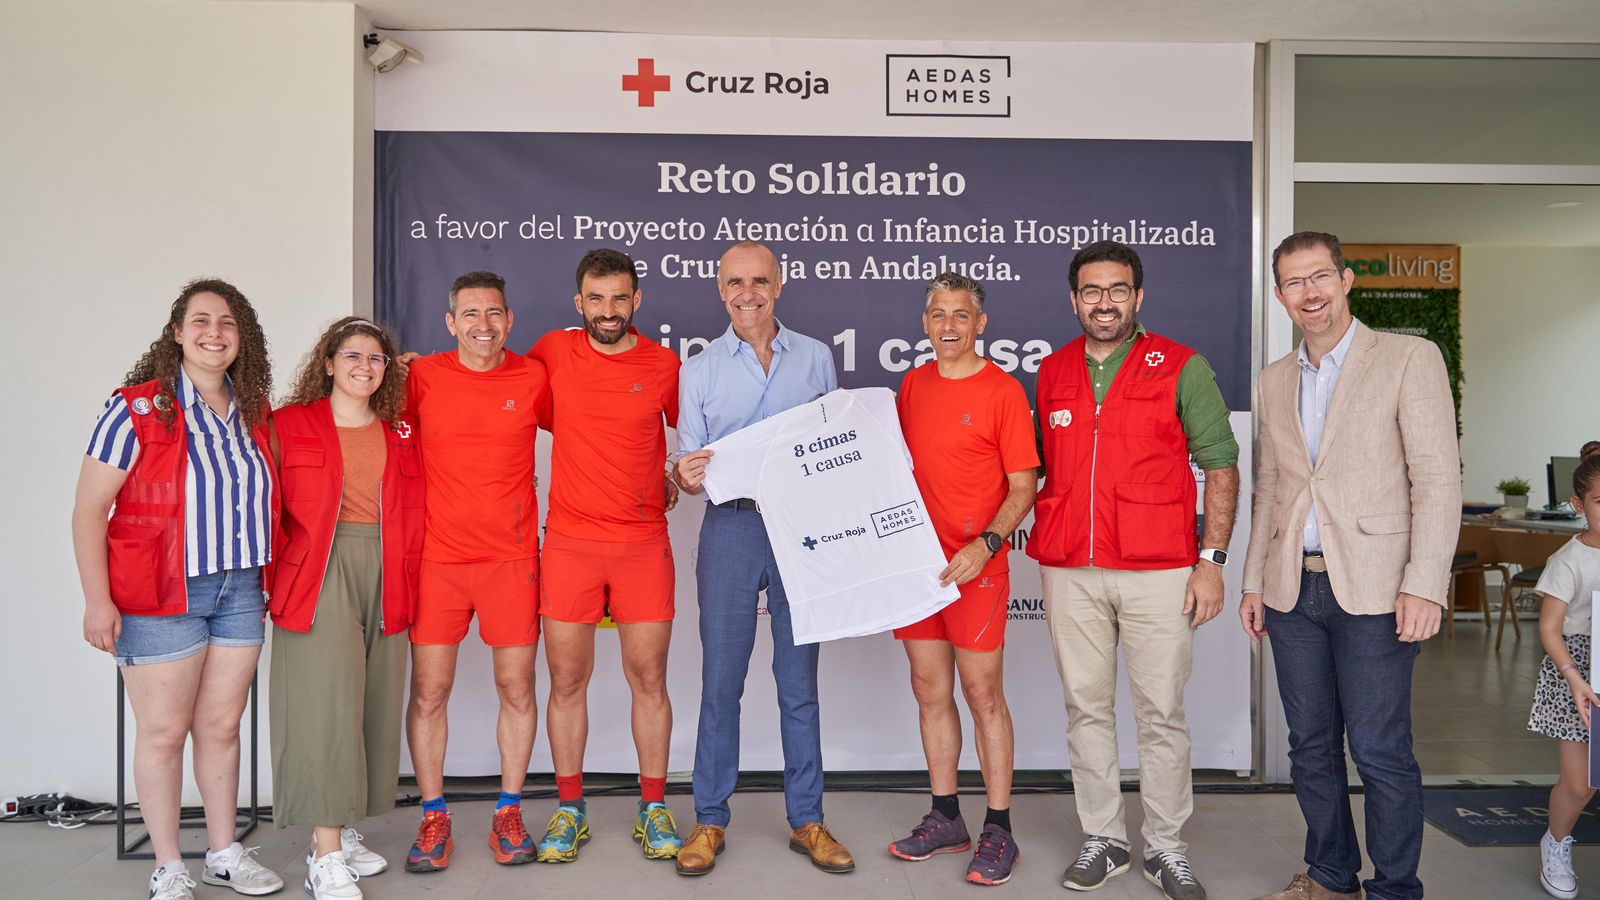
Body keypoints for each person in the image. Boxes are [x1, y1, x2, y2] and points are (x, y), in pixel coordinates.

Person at [1241, 231, 1460, 900]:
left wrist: (1425, 584)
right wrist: (1253, 581)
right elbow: (1272, 487)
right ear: (1280, 296)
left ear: (1346, 280)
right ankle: (1332, 875)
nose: (1310, 293)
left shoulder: (1407, 358)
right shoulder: (1276, 379)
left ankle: (1395, 888)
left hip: (1377, 589)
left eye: (1320, 277)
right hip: (1292, 591)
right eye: (1294, 283)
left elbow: (1437, 479)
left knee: (1380, 752)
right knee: (1309, 747)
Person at [1032, 241, 1240, 900]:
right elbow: (1032, 468)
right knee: (1085, 710)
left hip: (1159, 569)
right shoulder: (1053, 370)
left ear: (1137, 297)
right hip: (1072, 568)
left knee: (1160, 715)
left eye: (1117, 290)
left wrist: (1211, 561)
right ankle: (1104, 839)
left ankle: (1167, 849)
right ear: (1074, 299)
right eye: (1092, 291)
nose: (1104, 302)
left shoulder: (1180, 365)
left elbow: (1221, 466)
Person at [72, 278, 285, 900]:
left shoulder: (254, 411)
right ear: (177, 333)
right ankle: (169, 865)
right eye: (201, 321)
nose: (214, 333)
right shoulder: (135, 409)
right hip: (162, 594)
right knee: (163, 733)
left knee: (221, 727)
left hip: (241, 588)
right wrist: (96, 599)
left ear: (242, 338)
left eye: (227, 323)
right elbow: (89, 512)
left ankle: (223, 852)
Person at [671, 240, 855, 877]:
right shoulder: (697, 371)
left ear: (779, 285)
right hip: (731, 528)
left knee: (797, 682)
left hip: (800, 532)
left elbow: (835, 444)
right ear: (719, 291)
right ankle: (709, 820)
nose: (746, 293)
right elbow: (687, 466)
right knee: (722, 681)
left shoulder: (815, 358)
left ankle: (808, 818)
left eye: (758, 281)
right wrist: (686, 475)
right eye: (733, 283)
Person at [528, 249, 683, 862]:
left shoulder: (664, 364)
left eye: (620, 298)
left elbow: (699, 434)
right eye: (597, 299)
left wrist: (674, 469)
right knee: (567, 680)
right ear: (579, 304)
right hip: (569, 543)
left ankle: (653, 807)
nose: (609, 310)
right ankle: (570, 809)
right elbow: (496, 384)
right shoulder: (551, 352)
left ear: (636, 301)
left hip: (643, 544)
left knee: (649, 679)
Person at [887, 273, 1038, 886]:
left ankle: (999, 828)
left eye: (960, 314)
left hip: (976, 566)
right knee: (929, 691)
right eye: (937, 313)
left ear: (980, 325)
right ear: (924, 323)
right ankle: (946, 816)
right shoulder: (912, 385)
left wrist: (987, 543)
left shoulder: (1002, 392)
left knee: (983, 697)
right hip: (918, 570)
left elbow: (1024, 486)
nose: (948, 325)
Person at [266, 317, 425, 900]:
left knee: (373, 702)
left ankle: (342, 824)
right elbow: (264, 507)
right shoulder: (289, 424)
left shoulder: (403, 430)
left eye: (377, 358)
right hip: (318, 569)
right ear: (328, 363)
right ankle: (325, 852)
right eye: (352, 355)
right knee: (325, 705)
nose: (365, 366)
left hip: (387, 568)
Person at [401, 272, 549, 874]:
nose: (482, 325)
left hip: (511, 562)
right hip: (438, 561)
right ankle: (433, 815)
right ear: (450, 322)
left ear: (510, 320)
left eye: (494, 314)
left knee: (516, 689)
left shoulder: (534, 377)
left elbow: (596, 430)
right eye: (470, 314)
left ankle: (508, 811)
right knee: (429, 692)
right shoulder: (420, 376)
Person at [1527, 441, 1600, 900]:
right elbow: (1550, 629)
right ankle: (1555, 843)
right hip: (1576, 674)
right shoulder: (1568, 560)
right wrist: (1575, 678)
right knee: (1581, 783)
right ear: (1578, 504)